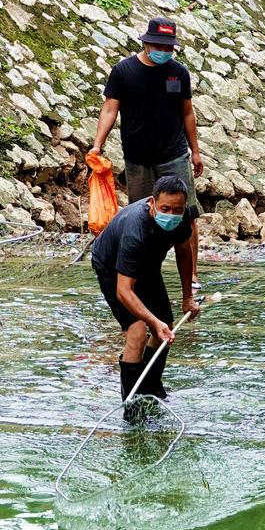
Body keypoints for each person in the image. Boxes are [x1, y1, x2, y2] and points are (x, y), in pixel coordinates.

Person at [90, 17, 204, 289]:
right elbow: (109, 109)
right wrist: (97, 144)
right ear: (146, 41)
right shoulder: (124, 71)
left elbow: (187, 113)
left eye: (169, 48)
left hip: (174, 154)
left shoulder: (178, 73)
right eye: (159, 46)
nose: (163, 52)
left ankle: (191, 275)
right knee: (142, 214)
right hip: (137, 156)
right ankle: (140, 271)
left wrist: (195, 151)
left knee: (185, 214)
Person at [91, 175, 200, 419]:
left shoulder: (182, 218)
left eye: (177, 210)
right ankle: (132, 407)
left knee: (165, 331)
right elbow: (124, 290)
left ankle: (150, 388)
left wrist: (187, 298)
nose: (171, 214)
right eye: (165, 209)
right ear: (152, 203)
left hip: (148, 266)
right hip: (111, 267)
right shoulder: (135, 229)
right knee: (138, 332)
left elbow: (184, 252)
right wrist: (153, 321)